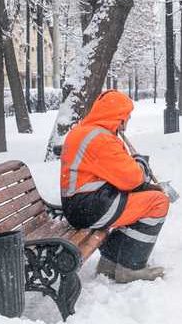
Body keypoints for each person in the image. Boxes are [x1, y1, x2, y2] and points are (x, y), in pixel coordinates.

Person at [60, 90, 169, 283]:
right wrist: (141, 164)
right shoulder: (99, 138)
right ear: (118, 116)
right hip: (90, 206)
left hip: (85, 203)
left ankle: (109, 262)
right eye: (126, 117)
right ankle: (130, 267)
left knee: (146, 197)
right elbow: (133, 179)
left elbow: (116, 172)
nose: (127, 122)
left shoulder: (86, 131)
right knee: (158, 202)